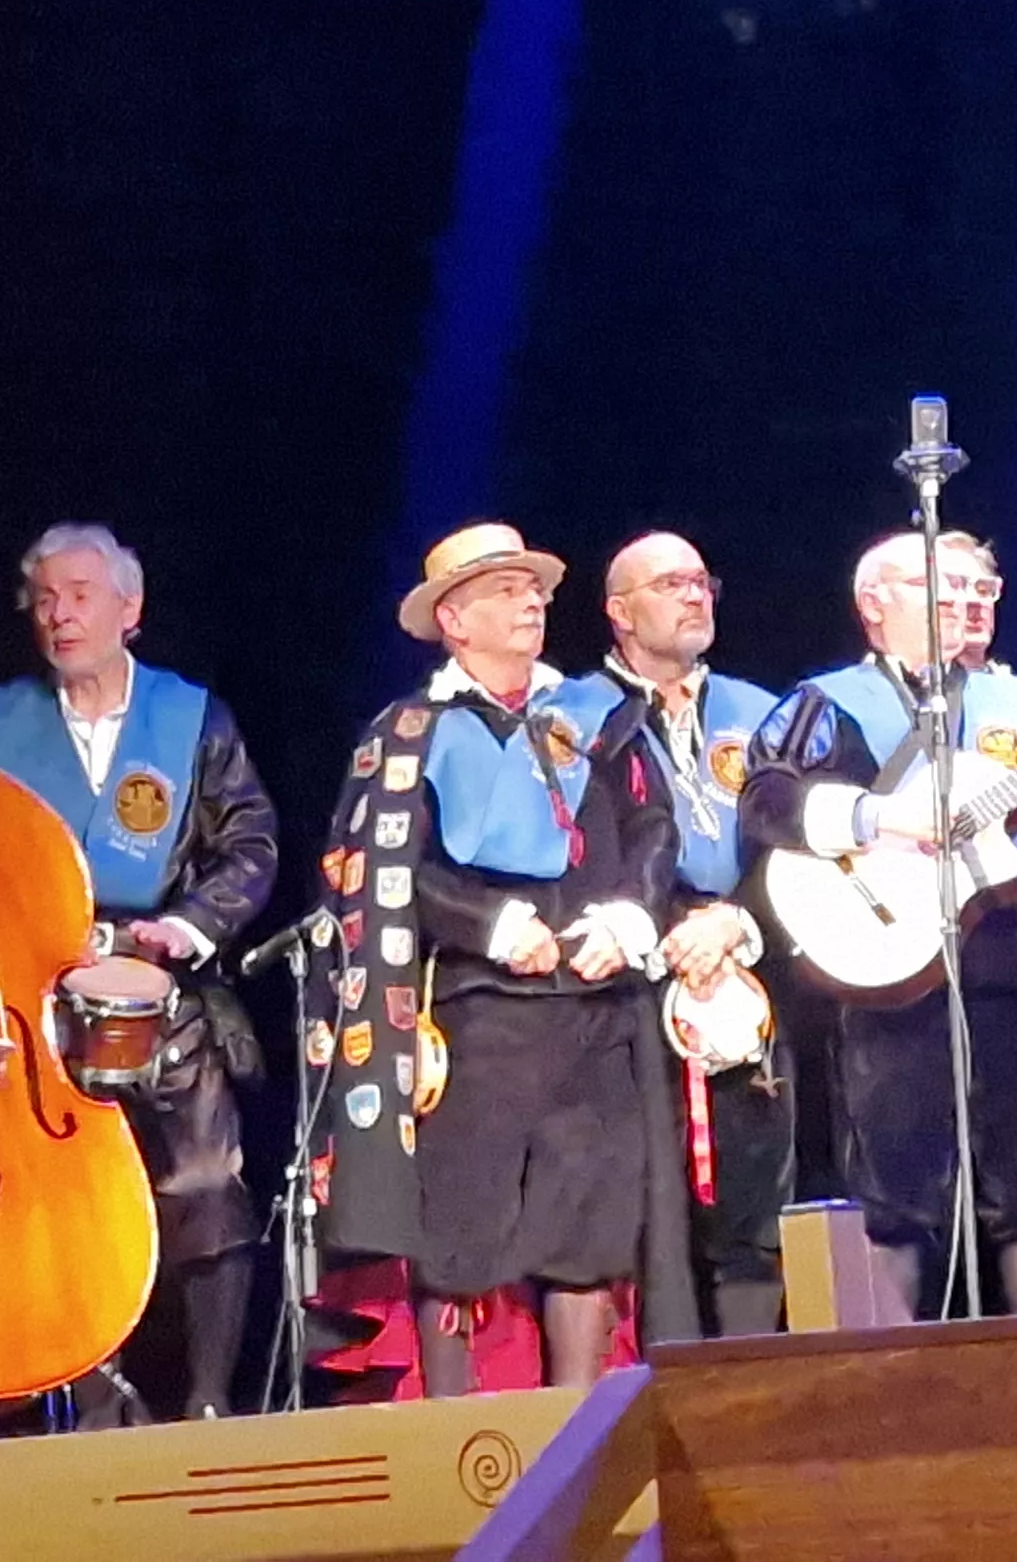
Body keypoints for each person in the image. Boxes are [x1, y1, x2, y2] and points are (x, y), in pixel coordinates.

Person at [0, 522, 280, 1419]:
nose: (59, 614)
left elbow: (250, 844)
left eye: (80, 595)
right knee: (58, 1200)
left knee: (206, 1185)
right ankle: (88, 1392)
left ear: (130, 610)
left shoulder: (191, 715)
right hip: (33, 984)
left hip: (158, 979)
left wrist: (184, 930)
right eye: (44, 598)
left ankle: (206, 1404)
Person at [741, 531, 1017, 1318]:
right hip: (884, 968)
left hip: (1012, 964)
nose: (963, 604)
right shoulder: (829, 703)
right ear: (874, 604)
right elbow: (766, 803)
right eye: (936, 586)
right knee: (894, 1196)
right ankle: (895, 1396)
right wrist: (883, 817)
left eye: (978, 589)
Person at [304, 523, 676, 1395]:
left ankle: (580, 1435)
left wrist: (626, 917)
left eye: (534, 590)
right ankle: (455, 1439)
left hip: (594, 1011)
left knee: (589, 1230)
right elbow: (385, 872)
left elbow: (654, 827)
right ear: (455, 621)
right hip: (479, 1015)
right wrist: (489, 924)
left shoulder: (594, 716)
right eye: (506, 592)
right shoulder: (410, 733)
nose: (531, 603)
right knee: (462, 1234)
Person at [542, 533, 795, 1339]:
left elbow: (813, 851)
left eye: (702, 581)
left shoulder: (764, 714)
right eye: (670, 584)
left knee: (755, 1205)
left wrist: (734, 920)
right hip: (624, 983)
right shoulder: (568, 717)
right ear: (619, 613)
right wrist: (657, 926)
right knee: (648, 1209)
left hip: (745, 960)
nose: (695, 596)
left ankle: (751, 1403)